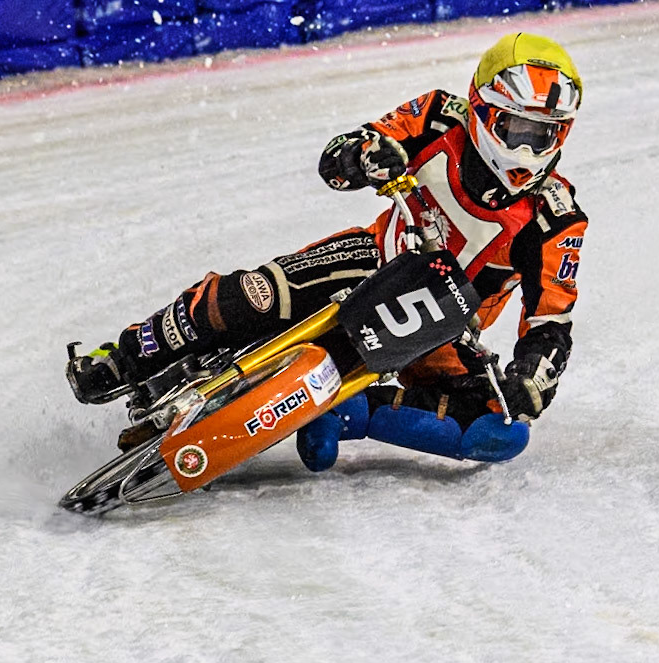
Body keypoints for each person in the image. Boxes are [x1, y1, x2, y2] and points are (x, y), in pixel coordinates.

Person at [66, 32, 588, 468]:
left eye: (545, 134)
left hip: (444, 327)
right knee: (256, 296)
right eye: (516, 128)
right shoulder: (436, 118)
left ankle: (352, 408)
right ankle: (129, 353)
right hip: (373, 261)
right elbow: (338, 159)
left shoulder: (556, 216)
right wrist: (366, 155)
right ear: (480, 110)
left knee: (499, 431)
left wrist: (530, 380)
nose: (527, 149)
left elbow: (550, 323)